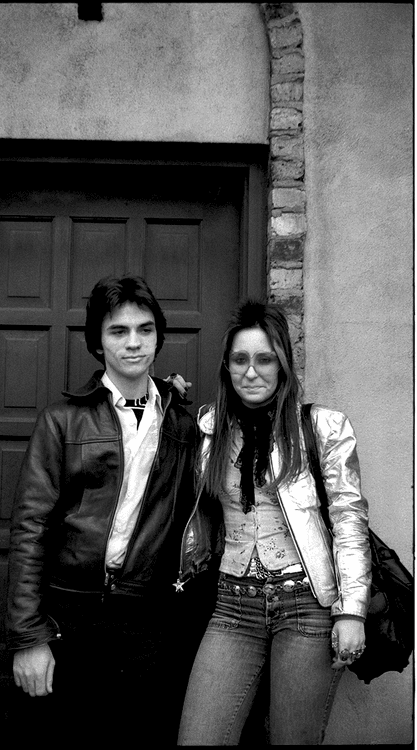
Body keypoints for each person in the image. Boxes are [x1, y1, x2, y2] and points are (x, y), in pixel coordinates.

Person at [6, 274, 207, 746]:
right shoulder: (63, 421)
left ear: (159, 335)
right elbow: (30, 528)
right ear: (97, 342)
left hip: (146, 625)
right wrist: (28, 637)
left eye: (145, 329)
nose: (133, 343)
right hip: (68, 617)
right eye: (118, 332)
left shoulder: (183, 424)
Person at [176, 299, 372, 746]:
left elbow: (349, 520)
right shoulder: (210, 427)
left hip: (306, 607)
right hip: (232, 608)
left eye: (265, 359)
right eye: (240, 360)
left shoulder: (322, 427)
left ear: (283, 363)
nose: (251, 371)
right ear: (226, 366)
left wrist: (352, 611)